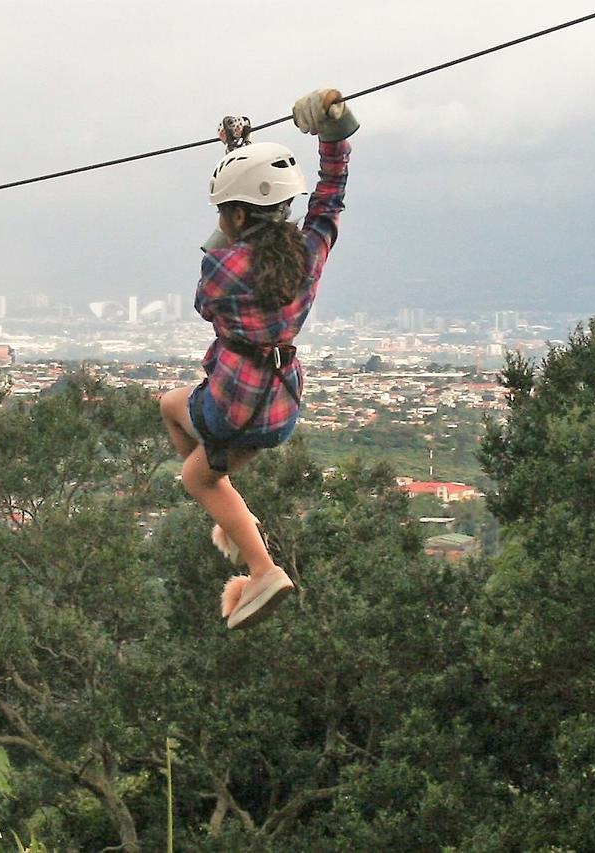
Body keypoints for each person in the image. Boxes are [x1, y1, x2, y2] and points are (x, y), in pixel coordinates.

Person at [159, 88, 357, 629]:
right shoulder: (309, 251)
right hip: (281, 407)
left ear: (239, 214)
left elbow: (206, 301)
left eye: (225, 210)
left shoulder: (221, 273)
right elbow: (331, 196)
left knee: (183, 443)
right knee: (208, 467)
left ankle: (264, 568)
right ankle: (227, 500)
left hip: (231, 404)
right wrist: (333, 131)